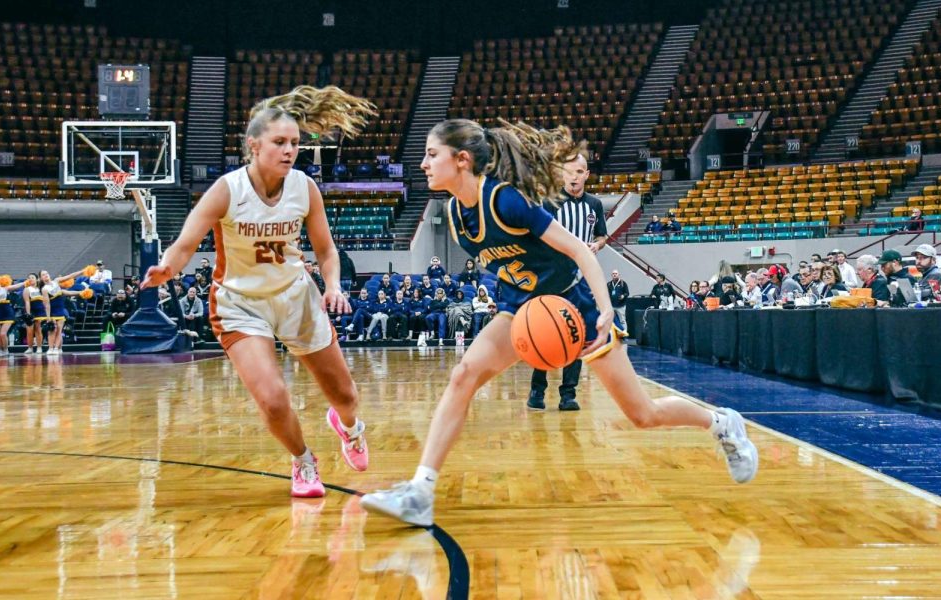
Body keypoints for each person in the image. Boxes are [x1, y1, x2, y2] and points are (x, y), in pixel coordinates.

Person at [359, 118, 757, 527]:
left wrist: (604, 309)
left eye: (431, 153)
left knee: (642, 414)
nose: (423, 163)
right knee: (463, 375)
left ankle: (722, 423)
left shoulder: (507, 202)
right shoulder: (457, 217)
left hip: (573, 307)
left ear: (461, 160)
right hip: (521, 310)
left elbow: (581, 253)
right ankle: (421, 492)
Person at [140, 85, 373, 498]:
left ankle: (349, 427)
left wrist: (332, 285)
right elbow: (185, 243)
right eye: (280, 142)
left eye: (295, 143)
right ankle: (303, 462)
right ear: (253, 145)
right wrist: (168, 267)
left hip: (296, 298)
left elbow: (325, 250)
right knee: (274, 399)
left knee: (346, 396)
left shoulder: (304, 187)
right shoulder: (228, 189)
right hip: (240, 303)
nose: (289, 151)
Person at [528, 151, 608, 411]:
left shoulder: (594, 205)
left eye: (578, 171)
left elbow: (602, 236)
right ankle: (537, 390)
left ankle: (568, 394)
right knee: (544, 333)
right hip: (552, 278)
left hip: (582, 280)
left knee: (579, 334)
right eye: (568, 171)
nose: (573, 177)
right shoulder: (549, 202)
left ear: (586, 175)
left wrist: (596, 246)